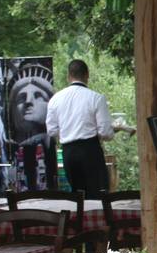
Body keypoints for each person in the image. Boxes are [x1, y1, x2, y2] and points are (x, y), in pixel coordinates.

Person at [46, 59, 117, 197]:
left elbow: (51, 130)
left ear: (68, 76)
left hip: (68, 152)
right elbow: (106, 133)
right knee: (98, 195)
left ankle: (79, 218)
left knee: (77, 195)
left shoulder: (55, 99)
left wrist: (68, 130)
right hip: (90, 150)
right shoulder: (96, 98)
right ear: (87, 75)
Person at [8, 60, 56, 190]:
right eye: (22, 97)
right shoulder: (9, 153)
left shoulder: (49, 144)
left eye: (38, 95)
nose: (28, 102)